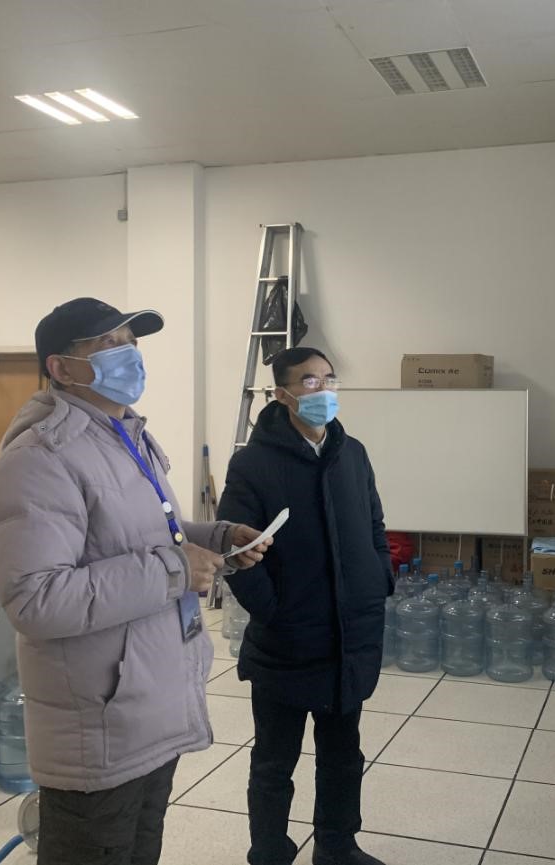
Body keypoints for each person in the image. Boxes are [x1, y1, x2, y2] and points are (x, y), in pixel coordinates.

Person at [0, 297, 272, 865]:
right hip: (98, 723)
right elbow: (36, 600)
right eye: (108, 344)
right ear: (61, 367)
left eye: (132, 343)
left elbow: (142, 535)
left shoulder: (125, 436)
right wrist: (175, 569)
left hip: (148, 700)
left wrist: (215, 539)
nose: (130, 355)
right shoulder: (39, 458)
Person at [218, 346, 392, 865]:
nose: (324, 390)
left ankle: (337, 846)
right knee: (275, 762)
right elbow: (233, 548)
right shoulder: (253, 463)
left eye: (330, 379)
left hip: (349, 638)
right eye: (311, 381)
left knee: (343, 755)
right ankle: (269, 851)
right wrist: (272, 610)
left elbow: (375, 523)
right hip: (287, 642)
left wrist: (379, 578)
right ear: (283, 394)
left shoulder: (351, 452)